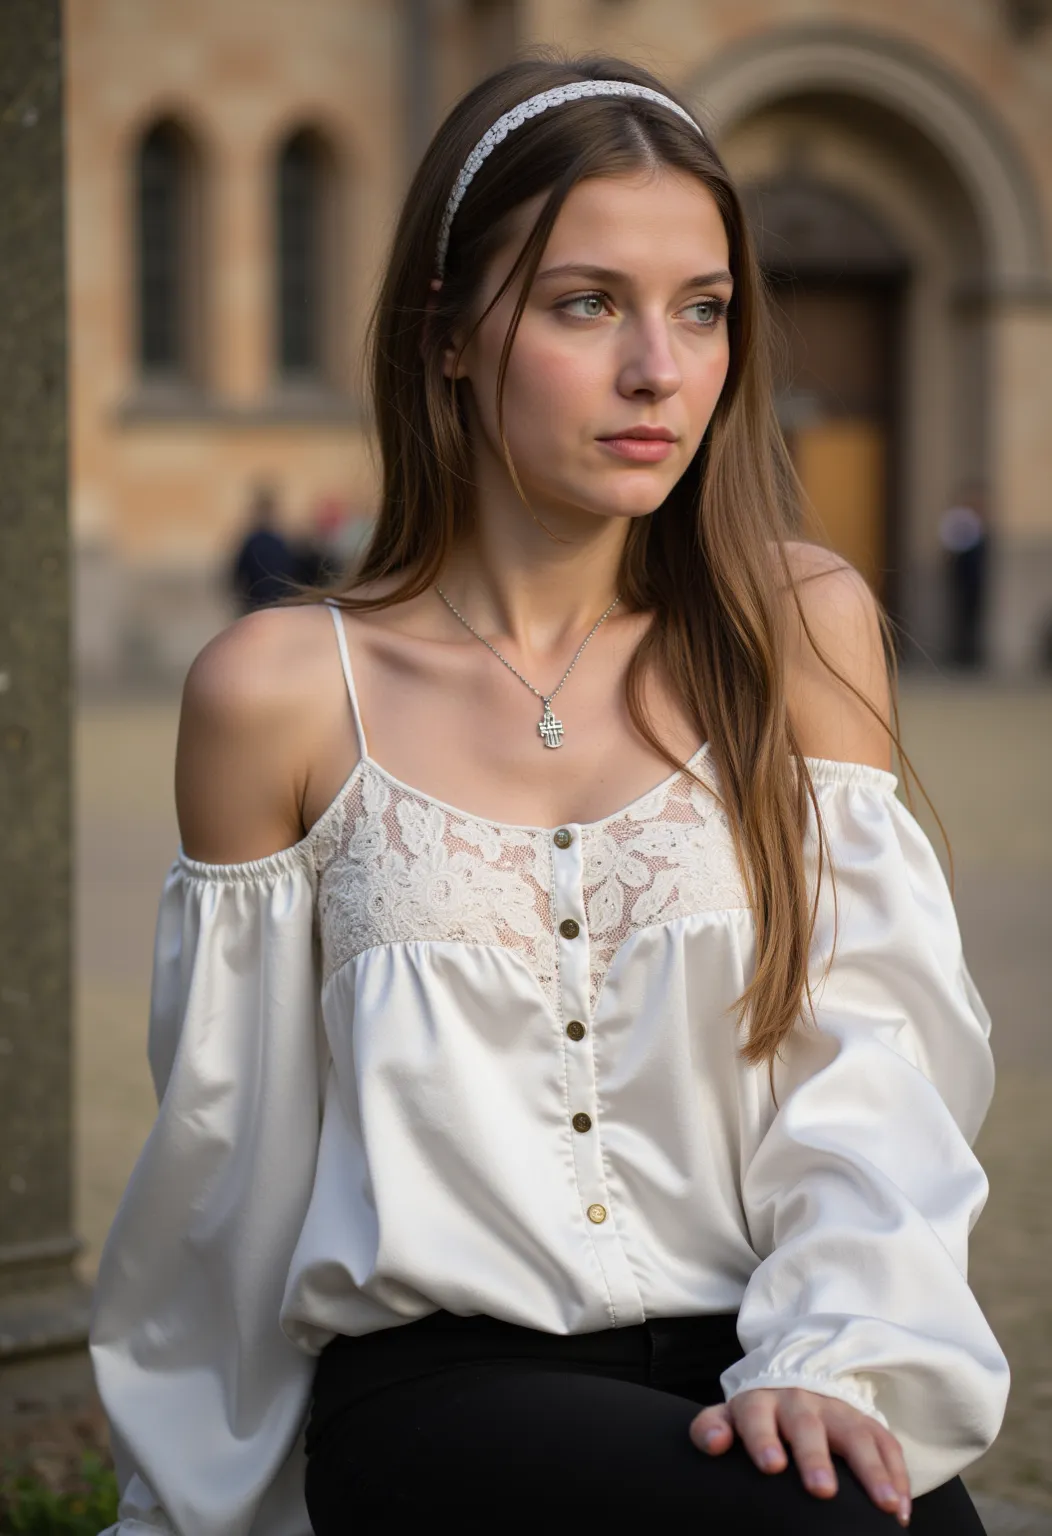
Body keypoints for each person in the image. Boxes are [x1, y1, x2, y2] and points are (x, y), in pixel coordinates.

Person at [90, 57, 1008, 1535]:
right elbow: (228, 1176)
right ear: (449, 334)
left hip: (760, 1347)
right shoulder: (277, 694)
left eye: (702, 309)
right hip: (444, 1396)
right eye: (589, 304)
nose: (662, 369)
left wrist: (845, 1358)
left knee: (894, 1506)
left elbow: (871, 1059)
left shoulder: (801, 626)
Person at [229, 482, 302, 612]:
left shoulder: (262, 540)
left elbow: (238, 575)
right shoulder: (272, 541)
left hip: (265, 602)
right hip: (269, 602)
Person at [938, 485, 989, 669]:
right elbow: (952, 549)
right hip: (962, 577)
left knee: (973, 616)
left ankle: (970, 654)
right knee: (960, 616)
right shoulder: (959, 519)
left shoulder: (978, 520)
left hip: (976, 578)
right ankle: (960, 655)